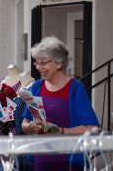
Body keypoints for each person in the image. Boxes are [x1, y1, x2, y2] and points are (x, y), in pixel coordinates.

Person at [21, 36, 100, 171]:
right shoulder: (36, 87)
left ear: (59, 63)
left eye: (43, 63)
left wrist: (61, 131)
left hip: (70, 161)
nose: (39, 67)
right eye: (37, 62)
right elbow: (24, 123)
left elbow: (93, 128)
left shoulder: (75, 88)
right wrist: (31, 127)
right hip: (42, 160)